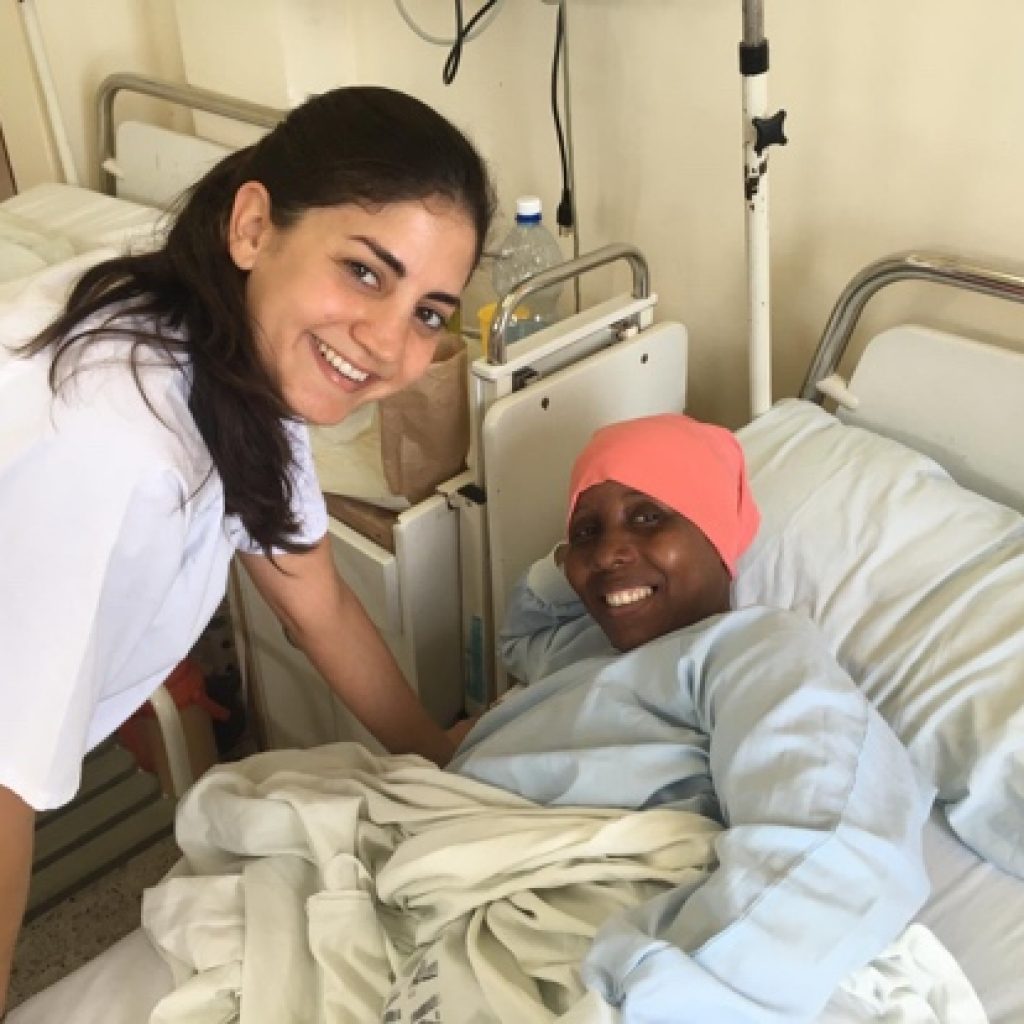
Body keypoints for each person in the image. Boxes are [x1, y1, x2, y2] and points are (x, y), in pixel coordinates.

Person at [0, 84, 494, 1012]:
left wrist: (435, 755)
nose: (386, 343)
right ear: (254, 226)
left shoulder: (239, 350)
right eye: (365, 272)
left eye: (429, 312)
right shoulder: (119, 447)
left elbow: (313, 593)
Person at [449, 413, 935, 1022]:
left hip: (572, 920)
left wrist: (661, 1002)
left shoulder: (752, 649)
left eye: (648, 517)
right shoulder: (582, 646)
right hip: (457, 863)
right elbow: (521, 628)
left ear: (714, 530)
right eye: (587, 532)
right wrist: (574, 559)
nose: (608, 553)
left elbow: (829, 840)